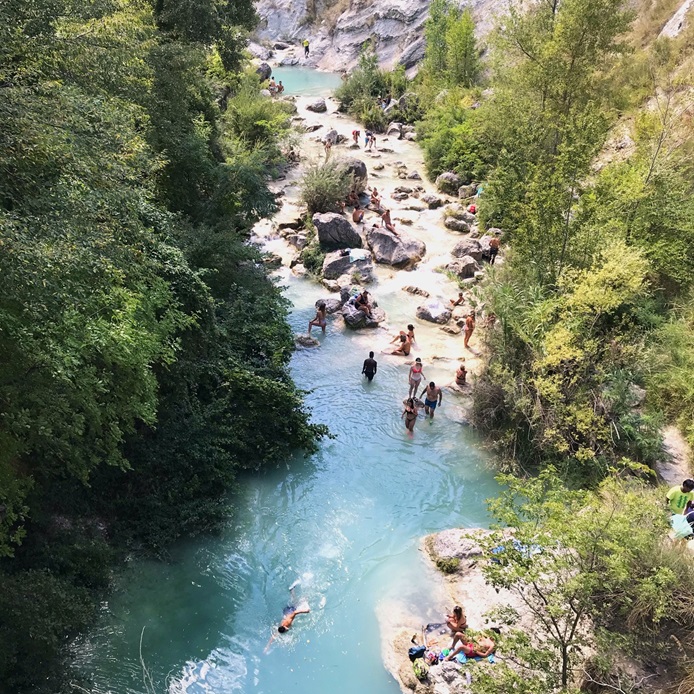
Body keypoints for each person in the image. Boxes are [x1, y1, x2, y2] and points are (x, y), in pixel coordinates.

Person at [265, 580, 310, 652]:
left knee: (298, 603)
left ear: (285, 628)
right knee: (295, 603)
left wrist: (305, 611)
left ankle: (294, 590)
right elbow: (272, 637)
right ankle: (292, 591)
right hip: (285, 612)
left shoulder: (288, 622)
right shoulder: (280, 628)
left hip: (290, 612)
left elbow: (295, 613)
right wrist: (267, 647)